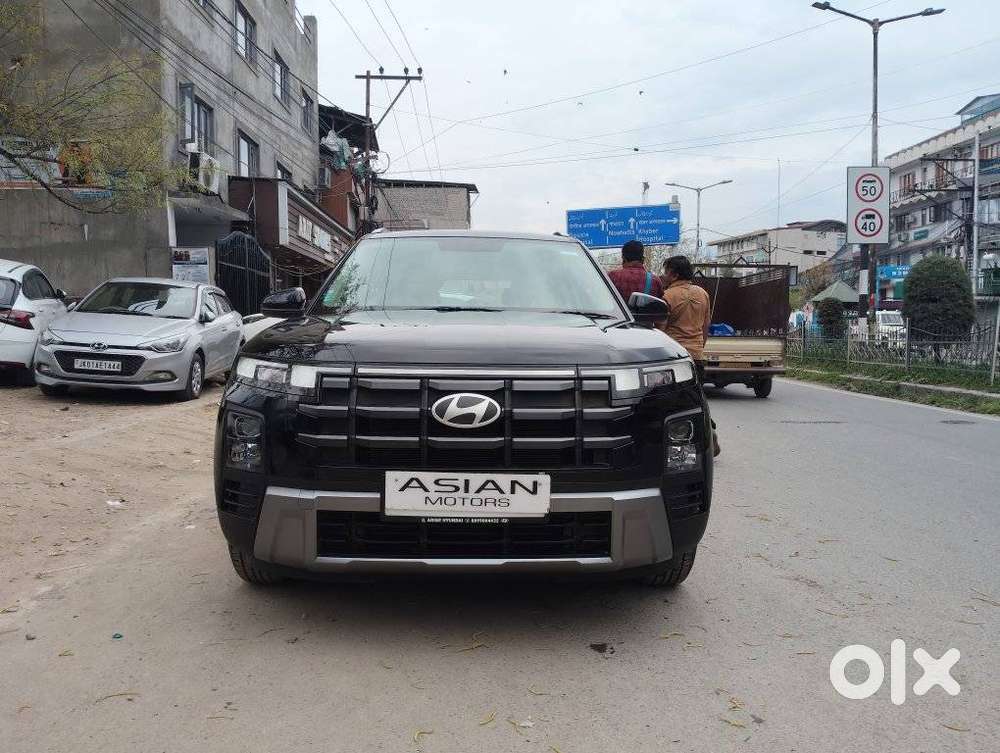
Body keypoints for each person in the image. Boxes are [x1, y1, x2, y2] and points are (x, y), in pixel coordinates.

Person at [661, 255, 720, 456]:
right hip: (696, 355)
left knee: (674, 405)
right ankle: (709, 431)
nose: (664, 275)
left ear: (674, 274)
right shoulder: (702, 293)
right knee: (697, 399)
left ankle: (680, 448)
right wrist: (698, 348)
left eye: (666, 271)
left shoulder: (668, 296)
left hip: (674, 357)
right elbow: (706, 326)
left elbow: (661, 330)